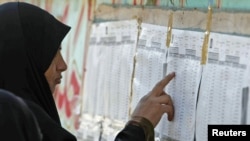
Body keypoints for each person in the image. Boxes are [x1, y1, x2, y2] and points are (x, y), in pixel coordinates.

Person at [0, 1, 175, 141]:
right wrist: (139, 126)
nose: (63, 65)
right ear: (23, 58)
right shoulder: (14, 123)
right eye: (52, 52)